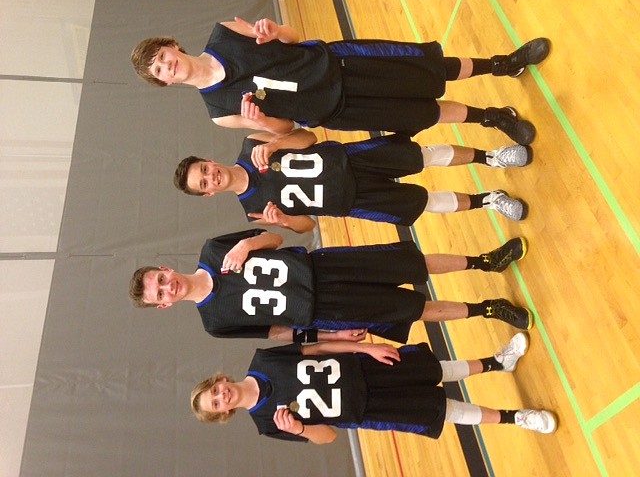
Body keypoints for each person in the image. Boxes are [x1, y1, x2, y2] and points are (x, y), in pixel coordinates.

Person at [131, 17, 550, 144]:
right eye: (160, 71)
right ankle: (492, 117)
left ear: (173, 45)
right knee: (420, 112)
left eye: (164, 57)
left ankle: (502, 64)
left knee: (426, 66)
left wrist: (275, 32)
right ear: (165, 84)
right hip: (336, 109)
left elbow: (292, 36)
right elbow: (287, 130)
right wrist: (261, 122)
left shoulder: (224, 33)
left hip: (339, 64)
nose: (168, 66)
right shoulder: (219, 113)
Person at [129, 229, 533, 344]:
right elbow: (280, 332)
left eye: (161, 280)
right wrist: (334, 334)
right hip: (326, 309)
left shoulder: (214, 248)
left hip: (323, 267)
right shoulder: (214, 324)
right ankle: (490, 308)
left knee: (408, 263)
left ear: (166, 268)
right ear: (164, 306)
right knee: (412, 309)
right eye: (160, 294)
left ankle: (486, 262)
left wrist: (248, 243)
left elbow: (275, 238)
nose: (168, 287)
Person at [190, 333, 557, 443]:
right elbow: (328, 438)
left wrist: (364, 347)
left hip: (364, 367)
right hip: (367, 410)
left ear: (220, 381)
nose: (222, 397)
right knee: (443, 409)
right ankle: (517, 418)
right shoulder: (267, 425)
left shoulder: (263, 361)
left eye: (215, 391)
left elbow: (317, 349)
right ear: (224, 413)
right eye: (217, 404)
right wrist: (299, 428)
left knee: (437, 368)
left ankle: (497, 362)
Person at [174, 129, 531, 230]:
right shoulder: (252, 210)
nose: (211, 177)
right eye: (204, 183)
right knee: (426, 204)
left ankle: (493, 157)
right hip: (351, 203)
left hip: (350, 161)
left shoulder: (251, 144)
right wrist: (282, 220)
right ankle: (490, 199)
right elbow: (306, 228)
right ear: (208, 195)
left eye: (204, 170)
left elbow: (309, 138)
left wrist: (278, 143)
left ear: (209, 160)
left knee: (420, 155)